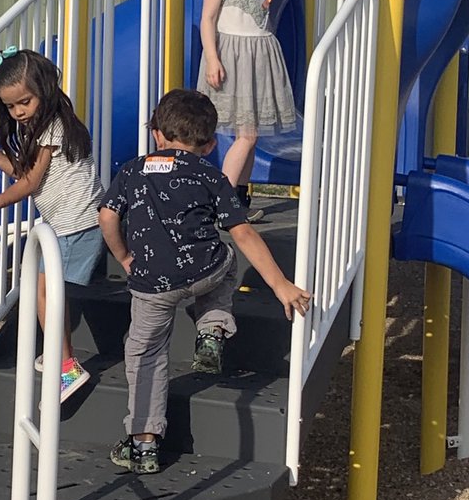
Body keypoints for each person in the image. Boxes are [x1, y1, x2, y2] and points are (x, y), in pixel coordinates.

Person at [98, 89, 310, 475]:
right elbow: (243, 233)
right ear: (211, 144)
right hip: (202, 270)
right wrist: (281, 284)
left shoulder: (131, 171)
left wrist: (123, 256)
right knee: (226, 257)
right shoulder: (211, 175)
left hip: (151, 286)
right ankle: (212, 327)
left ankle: (144, 443)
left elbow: (108, 218)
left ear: (156, 133)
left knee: (144, 357)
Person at [0, 47, 104, 403]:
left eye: (24, 102)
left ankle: (67, 365)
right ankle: (61, 357)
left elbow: (28, 184)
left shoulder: (54, 127)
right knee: (45, 292)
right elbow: (30, 176)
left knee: (45, 292)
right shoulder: (44, 128)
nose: (19, 112)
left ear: (44, 89)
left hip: (75, 223)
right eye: (11, 107)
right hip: (67, 223)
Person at [197, 0, 297, 219]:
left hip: (258, 59)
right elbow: (208, 19)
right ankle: (222, 204)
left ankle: (238, 201)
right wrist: (213, 59)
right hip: (233, 57)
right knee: (247, 135)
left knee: (251, 137)